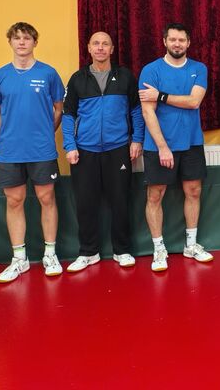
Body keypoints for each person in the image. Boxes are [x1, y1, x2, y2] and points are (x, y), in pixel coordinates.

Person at [0, 22, 65, 283]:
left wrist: (45, 132)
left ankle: (50, 254)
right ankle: (19, 259)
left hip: (42, 150)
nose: (22, 42)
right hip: (10, 151)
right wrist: (11, 131)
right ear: (10, 42)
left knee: (46, 198)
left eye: (27, 38)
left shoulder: (49, 73)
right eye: (17, 38)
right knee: (14, 201)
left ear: (35, 42)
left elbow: (58, 109)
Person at [62, 32, 145, 272]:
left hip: (118, 148)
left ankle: (122, 250)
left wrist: (137, 140)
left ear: (112, 49)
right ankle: (88, 252)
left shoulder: (125, 76)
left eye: (105, 44)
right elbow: (68, 116)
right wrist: (70, 146)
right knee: (85, 203)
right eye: (96, 44)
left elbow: (136, 111)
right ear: (89, 48)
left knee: (120, 201)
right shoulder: (77, 79)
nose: (100, 47)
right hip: (84, 151)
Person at [138, 23, 213, 272]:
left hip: (191, 143)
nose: (177, 44)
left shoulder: (198, 69)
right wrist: (162, 146)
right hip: (158, 145)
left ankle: (191, 245)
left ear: (188, 43)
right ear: (165, 42)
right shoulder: (150, 70)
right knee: (155, 195)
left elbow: (194, 102)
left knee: (193, 191)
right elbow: (147, 112)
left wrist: (160, 96)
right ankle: (159, 248)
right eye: (173, 39)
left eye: (181, 40)